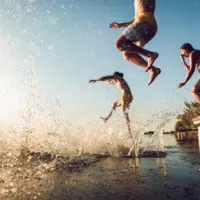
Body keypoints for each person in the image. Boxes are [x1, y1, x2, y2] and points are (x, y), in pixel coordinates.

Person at [109, 0, 161, 85]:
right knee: (127, 54)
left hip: (144, 21)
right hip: (148, 26)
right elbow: (135, 19)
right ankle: (153, 70)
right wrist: (121, 25)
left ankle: (150, 54)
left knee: (119, 43)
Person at [89, 72, 133, 137]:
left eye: (113, 76)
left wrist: (96, 80)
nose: (113, 77)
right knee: (115, 104)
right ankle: (107, 118)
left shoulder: (119, 78)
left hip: (126, 96)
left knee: (125, 114)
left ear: (116, 75)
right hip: (127, 96)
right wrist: (103, 81)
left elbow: (106, 77)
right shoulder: (116, 82)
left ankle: (130, 133)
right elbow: (107, 80)